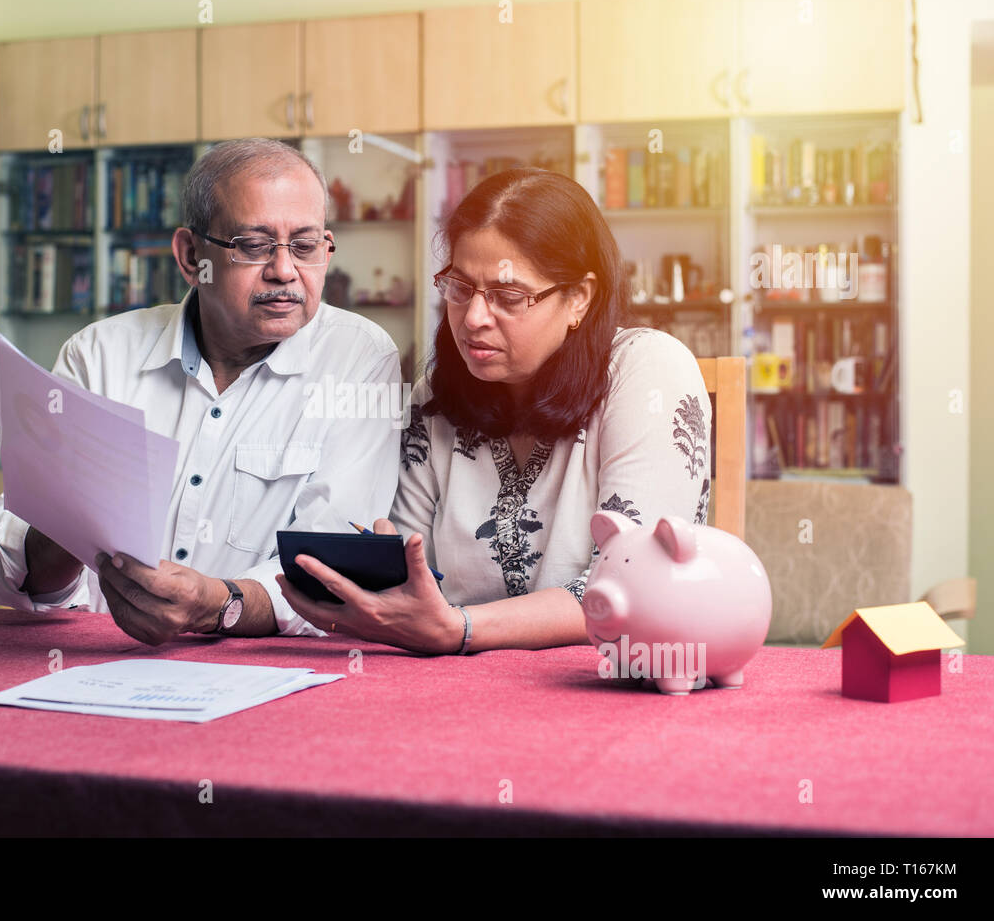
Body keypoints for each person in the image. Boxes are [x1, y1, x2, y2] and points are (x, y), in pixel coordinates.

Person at [0, 138, 401, 644]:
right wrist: (71, 521)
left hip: (264, 674)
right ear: (189, 256)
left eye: (305, 246)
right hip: (91, 658)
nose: (285, 271)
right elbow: (5, 573)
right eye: (253, 245)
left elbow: (334, 568)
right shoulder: (99, 355)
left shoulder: (358, 358)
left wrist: (217, 605)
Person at [277, 167, 712, 654]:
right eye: (460, 288)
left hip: (604, 687)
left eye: (508, 297)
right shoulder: (435, 398)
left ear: (578, 299)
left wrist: (457, 628)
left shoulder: (646, 368)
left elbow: (635, 584)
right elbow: (412, 575)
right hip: (454, 687)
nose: (474, 318)